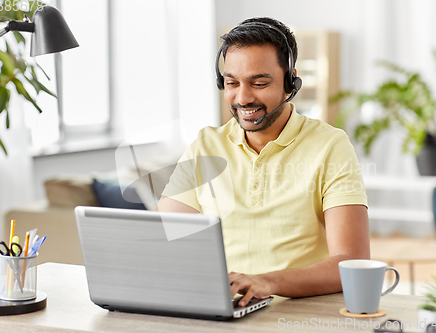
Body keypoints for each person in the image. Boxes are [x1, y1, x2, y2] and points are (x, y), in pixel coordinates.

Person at [156, 17, 369, 307]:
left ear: (290, 81)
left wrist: (266, 282)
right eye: (231, 83)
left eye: (258, 83)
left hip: (295, 312)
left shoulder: (330, 145)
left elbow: (351, 262)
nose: (242, 98)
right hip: (223, 307)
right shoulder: (206, 145)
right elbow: (169, 237)